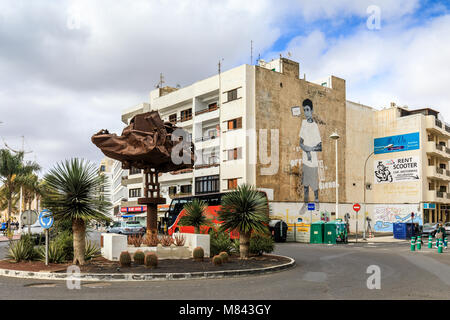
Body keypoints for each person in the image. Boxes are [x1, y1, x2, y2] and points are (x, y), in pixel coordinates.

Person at [298, 99, 322, 214]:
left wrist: (310, 149)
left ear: (311, 110)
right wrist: (305, 150)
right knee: (305, 184)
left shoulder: (315, 127)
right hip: (305, 161)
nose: (306, 112)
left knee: (314, 184)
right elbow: (300, 142)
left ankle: (317, 201)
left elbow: (320, 146)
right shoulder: (303, 123)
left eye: (307, 110)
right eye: (304, 110)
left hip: (313, 162)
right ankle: (305, 203)